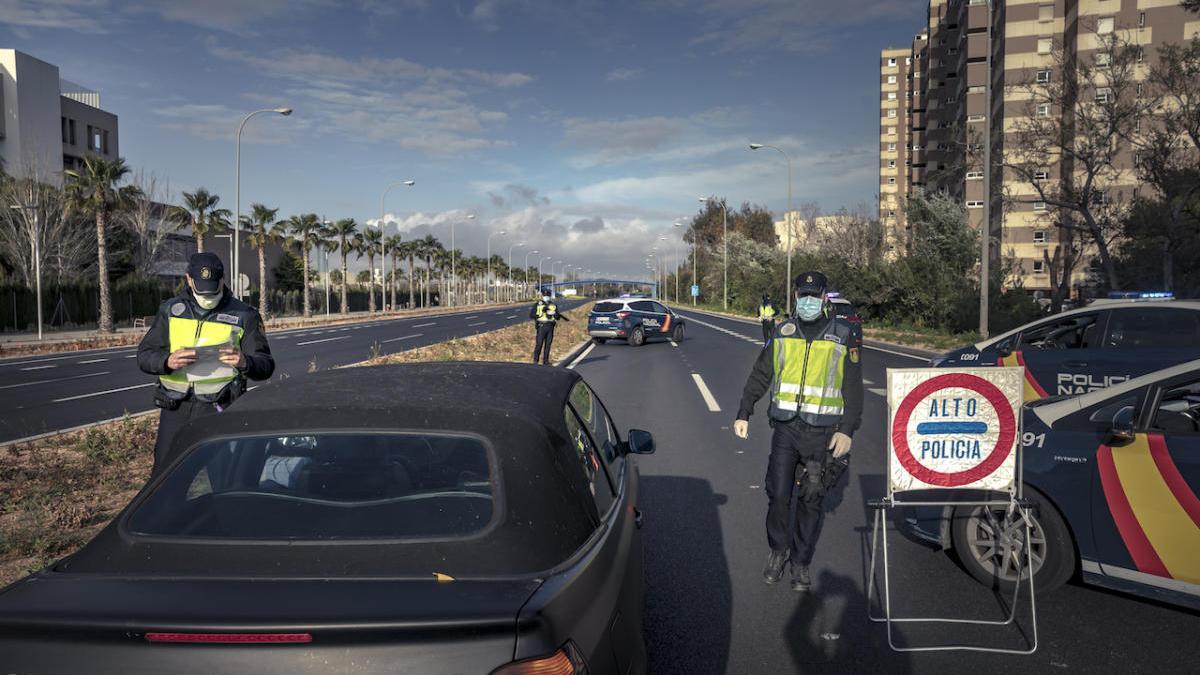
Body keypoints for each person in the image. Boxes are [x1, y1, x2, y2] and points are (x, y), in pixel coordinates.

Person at [732, 272, 863, 592]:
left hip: (822, 433)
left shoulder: (843, 335)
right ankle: (779, 551)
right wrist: (744, 411)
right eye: (802, 295)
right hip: (786, 429)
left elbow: (853, 388)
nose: (806, 301)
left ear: (823, 299)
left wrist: (847, 430)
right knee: (778, 494)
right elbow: (761, 373)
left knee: (812, 498)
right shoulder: (782, 332)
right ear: (795, 297)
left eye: (813, 296)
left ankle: (801, 563)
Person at [138, 252, 274, 474]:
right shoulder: (171, 311)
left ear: (223, 280)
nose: (208, 295)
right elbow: (144, 355)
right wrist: (166, 361)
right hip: (175, 409)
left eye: (214, 287)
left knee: (222, 478)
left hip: (218, 409)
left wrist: (244, 361)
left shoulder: (245, 315)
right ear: (189, 280)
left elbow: (266, 366)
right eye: (201, 288)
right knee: (165, 476)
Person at [529, 288, 569, 365]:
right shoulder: (538, 304)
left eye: (547, 295)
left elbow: (557, 317)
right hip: (541, 326)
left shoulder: (553, 305)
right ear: (543, 295)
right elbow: (531, 315)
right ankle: (535, 361)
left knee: (548, 345)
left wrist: (555, 314)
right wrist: (539, 315)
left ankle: (546, 361)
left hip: (550, 326)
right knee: (539, 344)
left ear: (550, 296)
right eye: (545, 295)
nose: (546, 296)